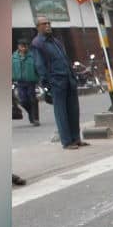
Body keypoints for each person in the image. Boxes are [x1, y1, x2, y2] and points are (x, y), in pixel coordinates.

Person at [30, 16, 86, 150]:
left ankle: (76, 138)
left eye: (49, 23)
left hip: (69, 79)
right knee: (61, 113)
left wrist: (73, 76)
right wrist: (47, 83)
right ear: (38, 27)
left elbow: (65, 59)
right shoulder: (37, 44)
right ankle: (67, 142)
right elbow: (39, 66)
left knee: (73, 110)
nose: (48, 26)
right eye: (44, 24)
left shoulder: (55, 41)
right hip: (56, 81)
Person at [12, 39, 40, 127]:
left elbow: (38, 67)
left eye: (25, 46)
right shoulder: (14, 57)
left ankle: (35, 119)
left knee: (32, 99)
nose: (24, 48)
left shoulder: (33, 56)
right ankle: (31, 113)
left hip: (31, 81)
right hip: (20, 82)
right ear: (18, 47)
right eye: (22, 46)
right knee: (23, 100)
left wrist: (40, 78)